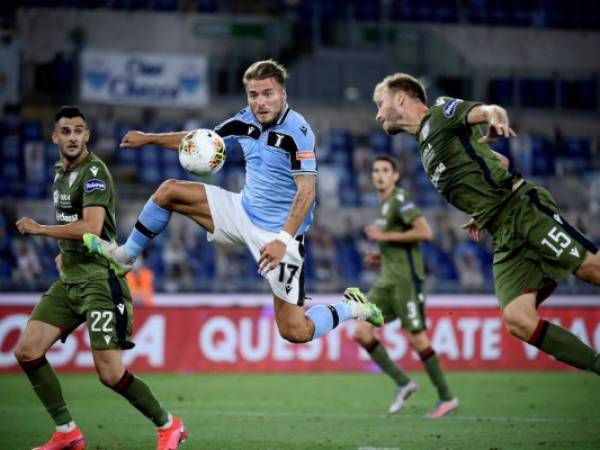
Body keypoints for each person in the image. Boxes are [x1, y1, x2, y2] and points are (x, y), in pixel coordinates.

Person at [83, 59, 383, 345]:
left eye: (267, 94)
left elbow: (307, 193)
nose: (260, 102)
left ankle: (351, 307)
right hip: (241, 211)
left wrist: (282, 240)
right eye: (254, 95)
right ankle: (125, 256)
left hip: (279, 235)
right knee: (168, 192)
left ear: (282, 94)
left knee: (295, 331)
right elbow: (202, 140)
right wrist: (150, 138)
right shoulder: (245, 120)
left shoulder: (298, 132)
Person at [372, 73, 600, 375]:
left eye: (380, 103)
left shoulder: (440, 114)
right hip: (501, 230)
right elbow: (499, 162)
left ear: (400, 98)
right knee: (518, 320)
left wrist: (495, 118)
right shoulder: (426, 144)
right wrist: (481, 211)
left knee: (590, 269)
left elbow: (489, 110)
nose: (377, 114)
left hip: (523, 211)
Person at [14, 106, 186, 450]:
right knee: (27, 351)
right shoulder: (58, 172)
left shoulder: (94, 172)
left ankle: (169, 425)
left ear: (87, 135)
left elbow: (92, 227)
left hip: (100, 280)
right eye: (66, 131)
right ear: (55, 137)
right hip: (71, 278)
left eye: (79, 130)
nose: (73, 137)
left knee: (109, 374)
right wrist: (65, 252)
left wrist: (41, 229)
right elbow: (74, 221)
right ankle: (67, 432)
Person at [354, 155, 458, 418]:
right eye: (375, 170)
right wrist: (382, 254)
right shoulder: (385, 205)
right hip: (386, 280)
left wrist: (385, 237)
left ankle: (447, 397)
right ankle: (403, 383)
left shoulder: (400, 200)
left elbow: (425, 232)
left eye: (385, 170)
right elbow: (399, 242)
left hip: (405, 282)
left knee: (416, 338)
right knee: (361, 332)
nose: (379, 174)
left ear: (395, 176)